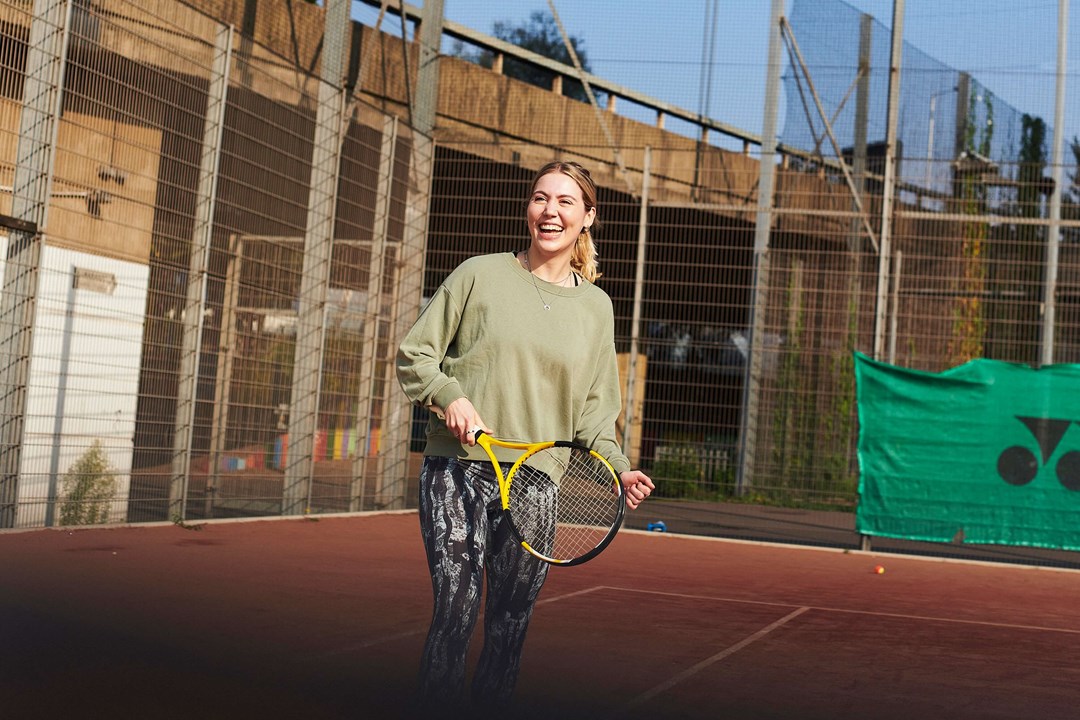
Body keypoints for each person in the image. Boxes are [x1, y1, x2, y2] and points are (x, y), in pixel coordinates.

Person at [396, 160, 654, 711]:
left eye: (565, 202)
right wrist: (450, 396)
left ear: (587, 218)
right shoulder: (478, 275)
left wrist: (618, 466)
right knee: (456, 612)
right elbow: (415, 355)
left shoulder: (596, 309)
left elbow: (593, 415)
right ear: (528, 208)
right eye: (541, 198)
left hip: (536, 482)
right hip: (458, 469)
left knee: (510, 622)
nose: (550, 211)